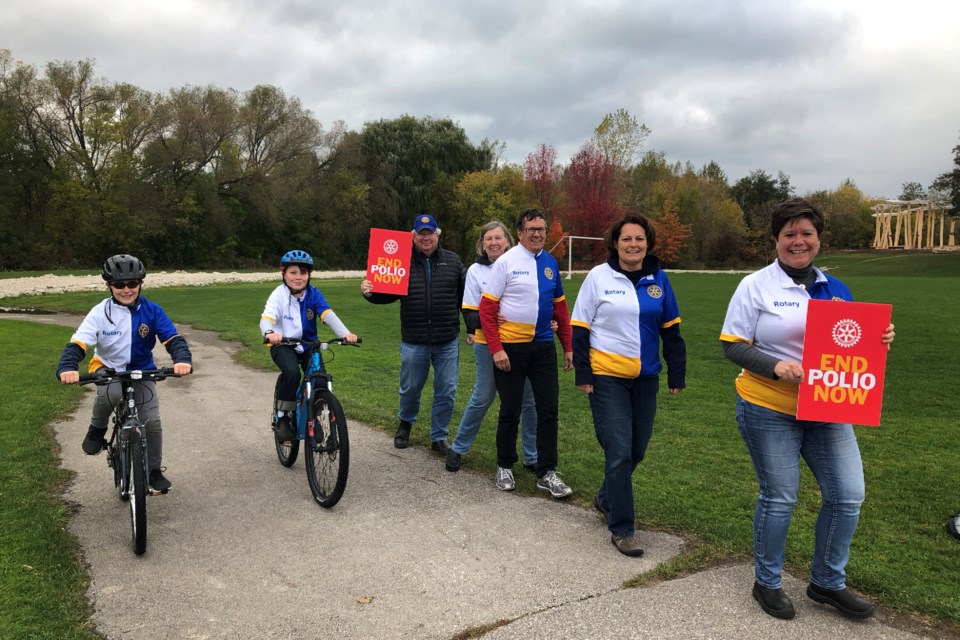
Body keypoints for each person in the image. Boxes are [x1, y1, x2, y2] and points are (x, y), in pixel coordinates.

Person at [720, 197, 896, 620]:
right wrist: (775, 366)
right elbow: (732, 344)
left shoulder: (836, 288)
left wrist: (879, 337)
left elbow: (848, 342)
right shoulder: (755, 285)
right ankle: (767, 582)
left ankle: (826, 582)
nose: (798, 242)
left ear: (818, 240)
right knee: (780, 497)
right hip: (768, 405)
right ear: (776, 240)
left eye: (806, 234)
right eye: (789, 235)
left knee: (848, 495)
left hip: (827, 407)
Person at [571, 214, 686, 557]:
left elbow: (672, 331)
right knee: (619, 450)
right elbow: (580, 328)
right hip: (607, 377)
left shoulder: (659, 280)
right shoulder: (598, 277)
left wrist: (676, 373)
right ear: (615, 243)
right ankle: (622, 528)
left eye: (639, 239)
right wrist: (584, 374)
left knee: (637, 450)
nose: (633, 245)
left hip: (646, 378)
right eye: (626, 239)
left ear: (647, 243)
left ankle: (606, 497)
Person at [56, 254, 193, 491]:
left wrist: (182, 360)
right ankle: (97, 429)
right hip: (106, 366)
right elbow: (78, 343)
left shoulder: (152, 310)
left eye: (132, 283)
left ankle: (153, 470)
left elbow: (172, 338)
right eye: (119, 285)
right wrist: (67, 367)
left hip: (142, 369)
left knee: (152, 420)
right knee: (111, 393)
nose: (126, 290)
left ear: (141, 283)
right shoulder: (100, 312)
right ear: (109, 285)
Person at [479, 208, 573, 499]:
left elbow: (560, 308)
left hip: (543, 346)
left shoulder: (550, 264)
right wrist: (496, 349)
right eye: (531, 229)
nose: (537, 234)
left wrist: (567, 346)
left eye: (541, 229)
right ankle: (504, 464)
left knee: (548, 409)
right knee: (511, 409)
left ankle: (547, 472)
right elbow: (487, 309)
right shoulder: (505, 263)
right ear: (519, 233)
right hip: (511, 348)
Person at [361, 214, 466, 453]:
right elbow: (386, 294)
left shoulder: (453, 261)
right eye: (421, 233)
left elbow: (464, 299)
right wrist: (369, 292)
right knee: (410, 388)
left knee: (446, 390)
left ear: (437, 235)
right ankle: (405, 424)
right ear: (413, 236)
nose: (425, 237)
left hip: (446, 339)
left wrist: (472, 328)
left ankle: (439, 436)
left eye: (430, 233)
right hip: (414, 339)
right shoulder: (400, 261)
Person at [447, 220, 539, 473]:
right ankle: (458, 448)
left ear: (509, 241)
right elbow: (469, 316)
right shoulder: (476, 271)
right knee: (483, 397)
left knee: (528, 400)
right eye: (488, 239)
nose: (494, 242)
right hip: (486, 343)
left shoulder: (528, 264)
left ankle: (532, 456)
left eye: (498, 237)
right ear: (482, 245)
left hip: (522, 343)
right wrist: (489, 317)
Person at [260, 250, 358, 440]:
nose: (298, 277)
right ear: (283, 273)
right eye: (293, 272)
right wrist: (269, 333)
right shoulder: (278, 295)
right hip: (283, 345)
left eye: (303, 273)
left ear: (309, 275)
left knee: (319, 380)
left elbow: (327, 314)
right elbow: (266, 318)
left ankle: (311, 419)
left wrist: (345, 334)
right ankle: (283, 418)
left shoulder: (313, 294)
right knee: (292, 373)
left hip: (308, 346)